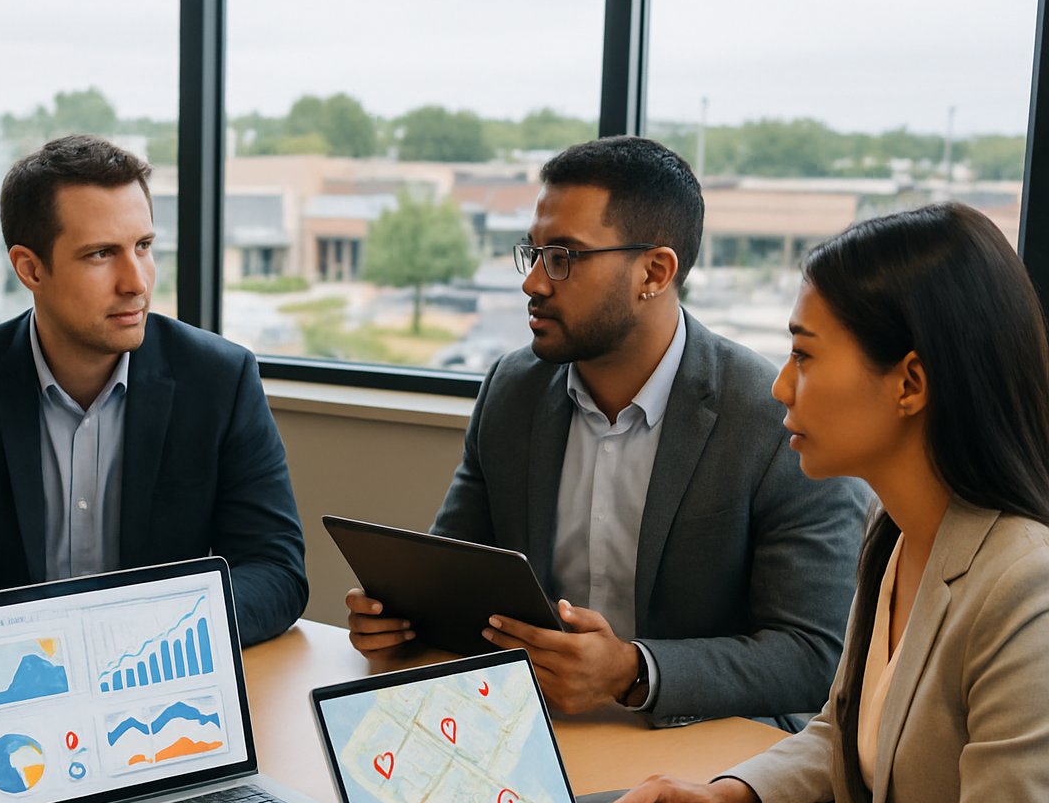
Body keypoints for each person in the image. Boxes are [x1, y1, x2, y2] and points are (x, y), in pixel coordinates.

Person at [563, 202, 1049, 803]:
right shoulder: (895, 531)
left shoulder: (1024, 593)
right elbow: (845, 731)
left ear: (912, 382)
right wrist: (728, 793)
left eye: (805, 354)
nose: (782, 382)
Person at [346, 136, 868, 727]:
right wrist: (404, 621)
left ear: (654, 271)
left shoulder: (771, 419)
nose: (534, 283)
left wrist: (632, 670)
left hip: (702, 753)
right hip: (537, 733)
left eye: (564, 256)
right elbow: (460, 577)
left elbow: (815, 656)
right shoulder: (513, 390)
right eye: (534, 253)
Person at [0, 135, 307, 661]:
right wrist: (22, 653)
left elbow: (274, 570)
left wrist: (136, 640)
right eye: (101, 254)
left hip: (157, 676)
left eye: (143, 246)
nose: (136, 282)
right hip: (13, 686)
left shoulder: (220, 378)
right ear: (30, 269)